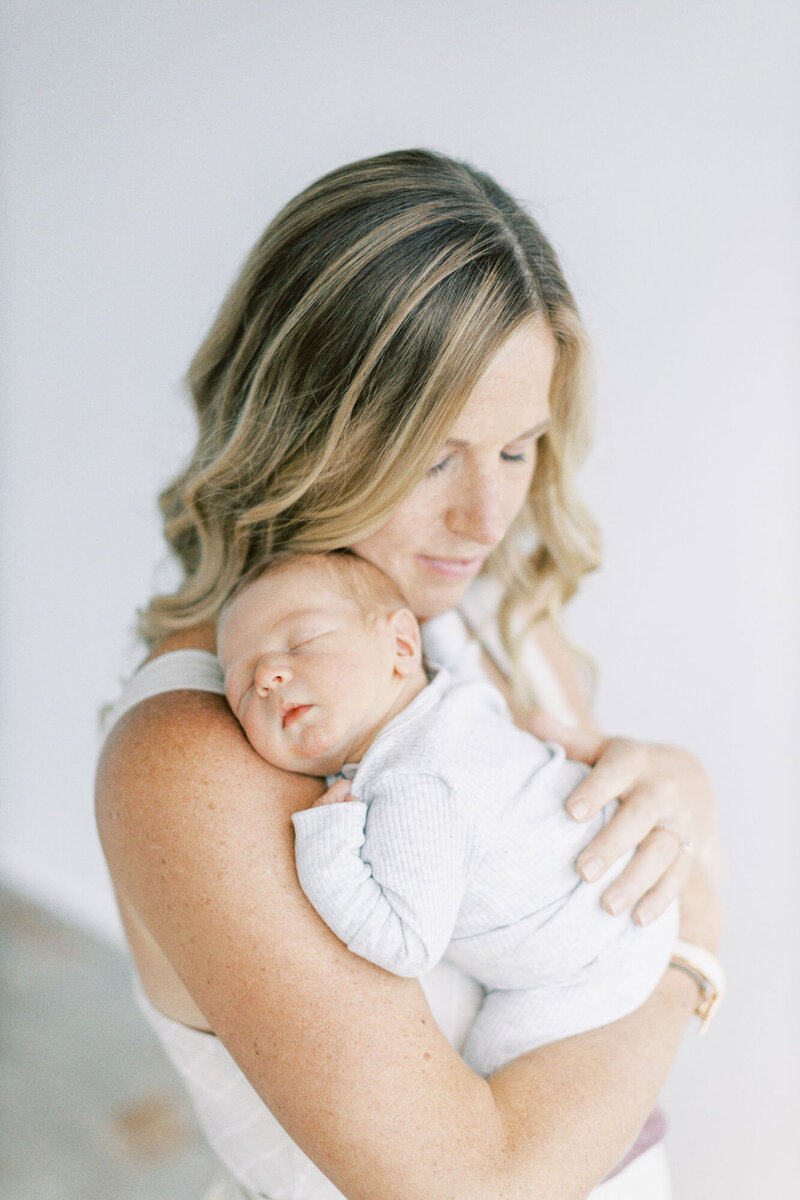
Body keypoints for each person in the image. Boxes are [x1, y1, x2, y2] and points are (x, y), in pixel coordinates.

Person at [96, 148, 722, 1200]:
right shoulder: (202, 752)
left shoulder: (486, 622)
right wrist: (686, 954)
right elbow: (468, 1186)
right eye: (435, 456)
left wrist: (679, 792)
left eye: (517, 450)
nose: (486, 521)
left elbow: (598, 847)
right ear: (300, 430)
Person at [216, 549, 680, 1080]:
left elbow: (406, 944)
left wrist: (325, 847)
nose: (268, 676)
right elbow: (450, 655)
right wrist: (442, 629)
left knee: (492, 1089)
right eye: (241, 690)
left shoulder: (414, 782)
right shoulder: (451, 698)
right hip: (633, 887)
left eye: (301, 643)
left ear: (401, 644)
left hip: (591, 961)